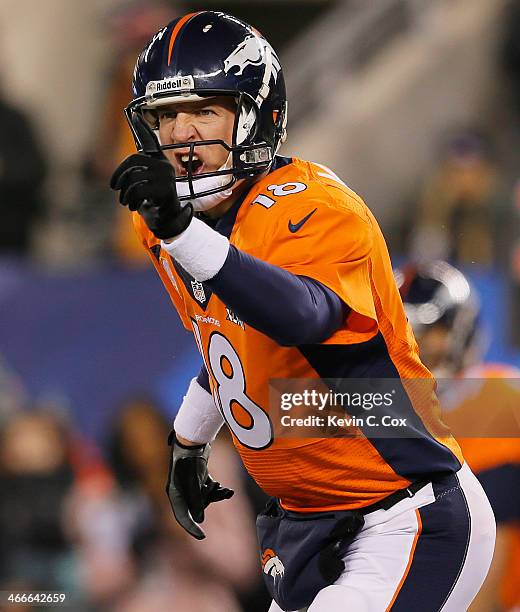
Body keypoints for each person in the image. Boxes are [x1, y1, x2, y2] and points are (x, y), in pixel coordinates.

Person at [110, 11, 496, 611]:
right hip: (305, 525)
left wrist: (183, 232)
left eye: (205, 111)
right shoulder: (162, 224)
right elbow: (228, 344)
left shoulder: (313, 202)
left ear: (254, 117)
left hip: (406, 513)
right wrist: (189, 442)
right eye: (166, 116)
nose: (183, 135)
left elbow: (304, 316)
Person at [396, 260, 520, 612]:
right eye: (404, 330)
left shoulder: (502, 401)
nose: (415, 344)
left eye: (428, 331)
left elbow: (491, 568)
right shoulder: (375, 409)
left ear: (461, 329)